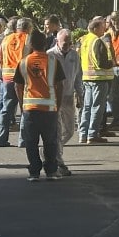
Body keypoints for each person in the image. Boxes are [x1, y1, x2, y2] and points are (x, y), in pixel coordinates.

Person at [13, 29, 64, 181]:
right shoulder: (53, 61)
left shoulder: (24, 62)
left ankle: (34, 172)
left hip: (30, 108)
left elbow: (18, 86)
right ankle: (51, 171)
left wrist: (22, 105)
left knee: (31, 142)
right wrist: (58, 105)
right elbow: (60, 85)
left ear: (30, 44)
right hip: (49, 108)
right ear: (45, 43)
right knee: (50, 141)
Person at [47, 28, 80, 176]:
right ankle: (58, 161)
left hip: (68, 95)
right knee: (57, 130)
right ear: (57, 41)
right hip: (53, 96)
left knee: (70, 130)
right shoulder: (50, 55)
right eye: (64, 43)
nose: (67, 46)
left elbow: (78, 75)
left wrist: (80, 93)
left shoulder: (74, 55)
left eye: (69, 43)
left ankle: (50, 150)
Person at [0, 17, 31, 147]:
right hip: (23, 78)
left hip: (7, 78)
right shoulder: (28, 39)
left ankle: (1, 138)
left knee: (6, 109)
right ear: (28, 28)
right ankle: (23, 140)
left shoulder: (6, 39)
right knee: (24, 109)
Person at [78, 16, 113, 144]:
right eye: (102, 27)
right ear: (96, 28)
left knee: (87, 107)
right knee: (97, 107)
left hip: (87, 77)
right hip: (99, 78)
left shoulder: (84, 40)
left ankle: (83, 134)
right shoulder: (97, 41)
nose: (104, 29)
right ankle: (92, 134)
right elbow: (101, 62)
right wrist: (112, 63)